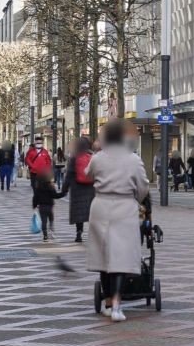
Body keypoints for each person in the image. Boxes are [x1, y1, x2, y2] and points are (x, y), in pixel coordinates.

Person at [86, 120, 149, 322]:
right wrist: (136, 200)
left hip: (101, 206)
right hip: (124, 207)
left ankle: (106, 302)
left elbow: (88, 175)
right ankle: (117, 304)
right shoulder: (133, 159)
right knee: (120, 256)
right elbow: (143, 187)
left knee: (104, 255)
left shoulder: (97, 158)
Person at [62, 137, 95, 243]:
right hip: (90, 189)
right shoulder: (93, 156)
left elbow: (69, 174)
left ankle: (79, 232)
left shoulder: (74, 157)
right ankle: (94, 234)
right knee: (92, 212)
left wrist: (64, 188)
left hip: (77, 189)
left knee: (78, 213)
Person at [32, 169, 64, 241]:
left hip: (42, 207)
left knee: (44, 221)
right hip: (49, 206)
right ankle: (52, 231)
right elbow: (55, 195)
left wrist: (34, 205)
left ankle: (45, 235)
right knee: (51, 219)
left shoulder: (38, 188)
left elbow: (35, 197)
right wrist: (63, 194)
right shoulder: (50, 186)